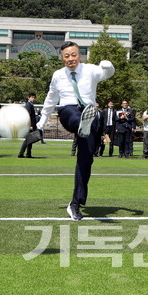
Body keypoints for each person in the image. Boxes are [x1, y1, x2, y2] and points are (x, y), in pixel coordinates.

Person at [36, 41, 114, 221]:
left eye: (74, 55)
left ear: (80, 55)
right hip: (68, 110)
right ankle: (81, 124)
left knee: (85, 161)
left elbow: (107, 74)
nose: (70, 59)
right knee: (74, 116)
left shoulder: (91, 70)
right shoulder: (58, 75)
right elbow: (51, 98)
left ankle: (75, 204)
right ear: (62, 59)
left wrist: (109, 66)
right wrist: (42, 120)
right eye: (66, 56)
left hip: (89, 111)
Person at [18, 93, 37, 158]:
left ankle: (28, 154)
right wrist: (30, 125)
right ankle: (21, 154)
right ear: (28, 98)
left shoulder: (30, 104)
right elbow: (27, 115)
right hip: (29, 125)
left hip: (31, 125)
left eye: (34, 97)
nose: (33, 99)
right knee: (28, 140)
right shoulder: (28, 105)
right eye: (32, 97)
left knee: (30, 140)